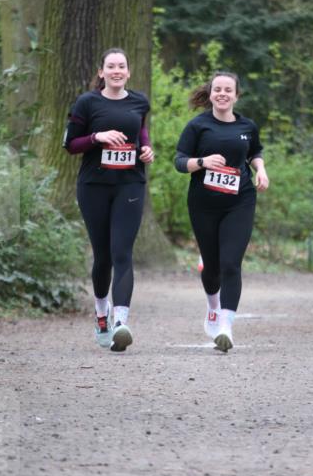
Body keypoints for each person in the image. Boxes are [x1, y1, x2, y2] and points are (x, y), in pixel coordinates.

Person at [63, 48, 154, 352]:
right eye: (111, 66)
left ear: (128, 72)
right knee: (103, 256)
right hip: (94, 186)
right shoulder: (88, 102)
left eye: (122, 66)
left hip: (130, 184)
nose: (117, 71)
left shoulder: (139, 102)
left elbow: (141, 133)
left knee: (122, 252)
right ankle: (101, 314)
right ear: (101, 72)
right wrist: (96, 138)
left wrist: (146, 150)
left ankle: (120, 322)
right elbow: (69, 144)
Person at [174, 71, 269, 352]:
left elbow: (255, 153)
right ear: (211, 93)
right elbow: (180, 162)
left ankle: (226, 327)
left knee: (231, 264)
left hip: (240, 200)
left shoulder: (247, 126)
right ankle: (213, 309)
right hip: (203, 204)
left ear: (236, 95)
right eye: (218, 89)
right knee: (213, 268)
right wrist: (202, 162)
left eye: (228, 90)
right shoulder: (197, 126)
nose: (223, 94)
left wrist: (261, 171)